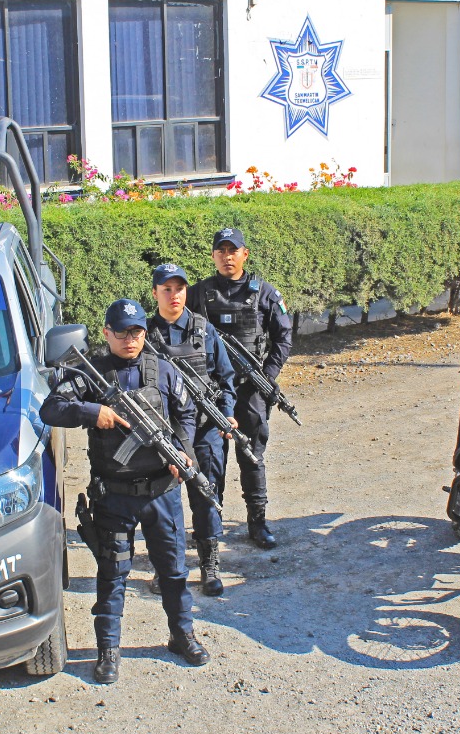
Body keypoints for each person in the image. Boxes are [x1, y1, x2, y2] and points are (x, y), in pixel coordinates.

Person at [39, 299, 210, 684]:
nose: (129, 339)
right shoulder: (90, 373)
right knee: (112, 574)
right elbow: (50, 410)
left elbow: (185, 415)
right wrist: (91, 413)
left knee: (174, 570)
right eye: (121, 332)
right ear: (106, 333)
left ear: (144, 333)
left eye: (136, 332)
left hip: (162, 493)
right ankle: (108, 651)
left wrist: (183, 452)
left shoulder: (163, 371)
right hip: (114, 494)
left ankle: (182, 636)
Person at [187, 228, 293, 550]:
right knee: (210, 460)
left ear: (245, 254)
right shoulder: (197, 293)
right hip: (212, 393)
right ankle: (210, 527)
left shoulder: (264, 293)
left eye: (233, 250)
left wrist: (267, 378)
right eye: (221, 250)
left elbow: (283, 339)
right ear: (213, 255)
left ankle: (257, 524)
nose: (227, 256)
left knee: (251, 457)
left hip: (249, 393)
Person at [147, 263, 238, 596]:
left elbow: (225, 378)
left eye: (180, 288)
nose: (174, 296)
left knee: (205, 493)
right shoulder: (144, 335)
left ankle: (209, 564)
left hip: (203, 430)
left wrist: (226, 414)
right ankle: (166, 566)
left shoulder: (203, 329)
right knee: (164, 503)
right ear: (155, 292)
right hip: (163, 433)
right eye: (167, 289)